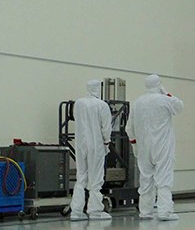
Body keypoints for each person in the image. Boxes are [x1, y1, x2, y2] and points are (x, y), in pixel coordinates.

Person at [126, 75, 184, 221]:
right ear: (159, 85)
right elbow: (179, 106)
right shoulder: (164, 100)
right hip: (162, 146)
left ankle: (145, 212)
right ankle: (164, 211)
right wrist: (166, 92)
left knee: (146, 179)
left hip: (143, 148)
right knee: (163, 179)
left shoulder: (137, 102)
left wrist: (135, 145)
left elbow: (129, 128)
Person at [70, 80, 113, 221]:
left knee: (81, 176)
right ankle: (95, 210)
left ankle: (76, 211)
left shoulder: (79, 103)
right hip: (96, 145)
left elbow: (77, 120)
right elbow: (106, 128)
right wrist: (107, 143)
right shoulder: (102, 105)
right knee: (95, 177)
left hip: (81, 144)